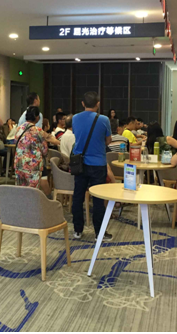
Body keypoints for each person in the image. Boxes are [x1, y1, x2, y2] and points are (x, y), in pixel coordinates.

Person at [72, 91, 112, 241]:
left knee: (78, 197)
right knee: (98, 199)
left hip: (80, 163)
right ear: (98, 104)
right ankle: (99, 233)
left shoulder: (75, 118)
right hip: (98, 164)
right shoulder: (104, 120)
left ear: (83, 103)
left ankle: (77, 230)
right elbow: (108, 141)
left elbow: (77, 136)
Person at [14, 106, 50, 195]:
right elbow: (44, 150)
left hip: (19, 163)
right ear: (37, 117)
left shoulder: (19, 129)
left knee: (20, 191)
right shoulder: (38, 131)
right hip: (32, 166)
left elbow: (16, 142)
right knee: (32, 192)